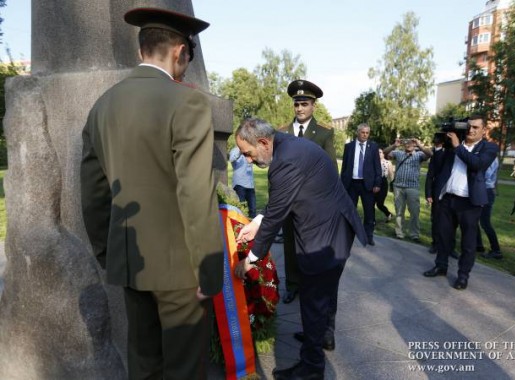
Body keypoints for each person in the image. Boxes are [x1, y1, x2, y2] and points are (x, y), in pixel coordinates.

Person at [80, 8, 223, 379]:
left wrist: (108, 253)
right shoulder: (186, 102)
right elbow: (195, 193)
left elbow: (94, 193)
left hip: (130, 263)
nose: (186, 67)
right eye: (188, 58)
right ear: (179, 51)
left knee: (143, 367)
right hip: (180, 273)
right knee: (185, 370)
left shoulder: (102, 107)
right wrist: (209, 273)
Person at [232, 118, 366, 380]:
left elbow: (278, 212)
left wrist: (252, 258)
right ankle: (321, 334)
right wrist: (258, 222)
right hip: (334, 230)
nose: (248, 161)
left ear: (262, 142)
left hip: (324, 237)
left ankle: (311, 368)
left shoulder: (286, 160)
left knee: (314, 298)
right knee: (324, 293)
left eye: (248, 154)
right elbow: (282, 198)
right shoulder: (288, 146)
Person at [278, 79, 337, 304]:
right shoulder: (282, 132)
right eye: (297, 104)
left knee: (311, 247)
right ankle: (292, 284)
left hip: (313, 203)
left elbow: (330, 168)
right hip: (289, 202)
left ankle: (310, 285)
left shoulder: (323, 134)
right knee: (291, 244)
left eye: (305, 104)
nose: (300, 108)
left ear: (314, 106)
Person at [423, 114, 498, 290]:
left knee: (468, 243)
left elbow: (477, 165)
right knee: (443, 237)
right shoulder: (453, 146)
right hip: (447, 199)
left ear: (483, 130)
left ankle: (463, 276)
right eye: (469, 127)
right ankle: (441, 266)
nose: (471, 130)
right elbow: (438, 165)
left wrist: (457, 146)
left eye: (475, 128)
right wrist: (444, 144)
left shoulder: (489, 148)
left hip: (469, 203)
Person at [383, 138, 432, 242]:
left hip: (412, 187)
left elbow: (430, 154)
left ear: (414, 145)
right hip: (398, 187)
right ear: (404, 144)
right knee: (399, 211)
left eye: (411, 143)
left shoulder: (419, 155)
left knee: (414, 212)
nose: (408, 144)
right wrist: (394, 145)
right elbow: (385, 152)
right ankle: (399, 233)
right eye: (407, 143)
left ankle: (414, 234)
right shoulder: (398, 153)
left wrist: (420, 144)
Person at [341, 123, 382, 245]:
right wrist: (342, 183)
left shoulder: (373, 147)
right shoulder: (349, 146)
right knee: (349, 210)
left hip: (367, 185)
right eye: (363, 132)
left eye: (367, 133)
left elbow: (377, 167)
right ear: (358, 132)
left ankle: (368, 236)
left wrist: (377, 184)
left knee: (369, 212)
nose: (365, 135)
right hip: (351, 184)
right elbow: (345, 166)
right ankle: (347, 235)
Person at [478, 157, 503, 259]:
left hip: (486, 191)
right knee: (474, 219)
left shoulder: (491, 158)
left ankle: (496, 250)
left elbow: (486, 175)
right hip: (484, 190)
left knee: (485, 223)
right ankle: (478, 245)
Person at [425, 133, 445, 254]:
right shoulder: (436, 154)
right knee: (436, 220)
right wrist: (428, 194)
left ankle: (450, 247)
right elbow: (430, 175)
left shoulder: (453, 152)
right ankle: (435, 244)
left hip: (452, 193)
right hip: (437, 193)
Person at [229, 146, 256, 217]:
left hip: (250, 185)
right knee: (241, 209)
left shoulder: (249, 150)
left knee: (253, 210)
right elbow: (231, 159)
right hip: (239, 184)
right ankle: (241, 227)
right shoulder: (235, 150)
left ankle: (252, 227)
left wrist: (253, 158)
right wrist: (240, 152)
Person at [374, 148, 394, 223]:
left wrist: (392, 185)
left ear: (383, 154)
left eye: (380, 152)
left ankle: (388, 214)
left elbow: (391, 175)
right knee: (371, 203)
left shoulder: (388, 162)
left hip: (383, 183)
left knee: (379, 203)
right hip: (373, 182)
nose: (378, 154)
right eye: (377, 152)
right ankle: (372, 220)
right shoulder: (373, 161)